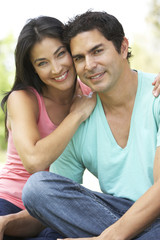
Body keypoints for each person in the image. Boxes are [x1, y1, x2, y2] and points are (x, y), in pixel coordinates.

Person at [21, 10, 160, 240]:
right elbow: (55, 201)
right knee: (37, 188)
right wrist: (7, 222)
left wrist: (109, 237)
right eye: (79, 58)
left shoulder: (156, 95)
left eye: (97, 51)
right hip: (117, 216)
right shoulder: (79, 120)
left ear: (123, 47)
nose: (89, 65)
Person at [0, 15, 97, 240]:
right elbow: (34, 162)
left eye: (60, 54)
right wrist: (77, 114)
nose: (56, 69)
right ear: (33, 69)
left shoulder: (91, 89)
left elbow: (123, 82)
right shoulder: (24, 98)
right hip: (10, 202)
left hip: (56, 207)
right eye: (42, 63)